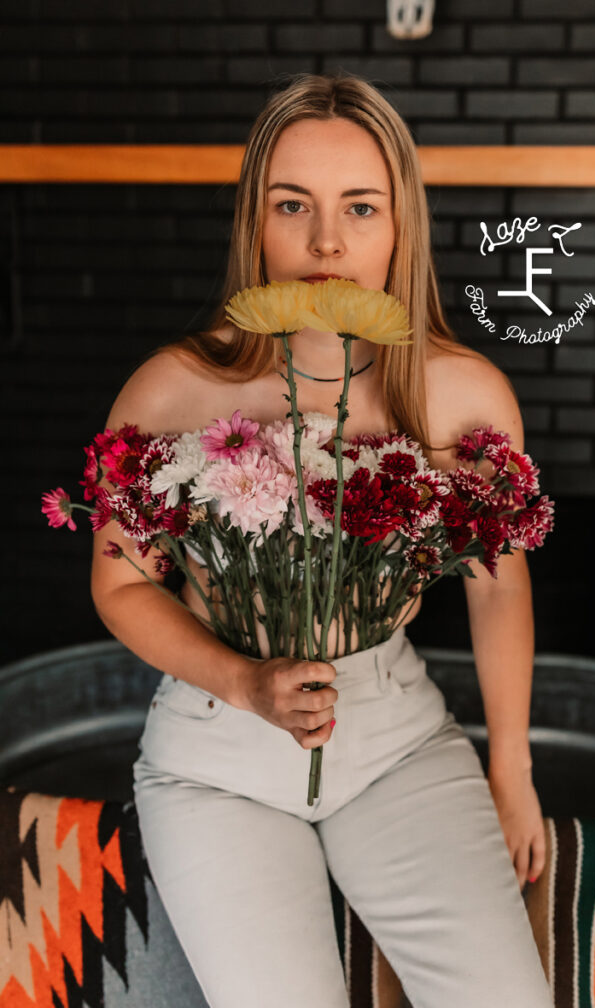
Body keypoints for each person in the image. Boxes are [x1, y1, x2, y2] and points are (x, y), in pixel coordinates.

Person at [91, 72, 553, 1008]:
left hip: (398, 745)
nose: (326, 240)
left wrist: (512, 765)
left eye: (361, 208)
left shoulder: (463, 393)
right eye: (291, 204)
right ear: (252, 221)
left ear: (399, 226)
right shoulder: (171, 391)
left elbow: (499, 585)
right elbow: (120, 585)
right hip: (214, 760)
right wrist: (243, 681)